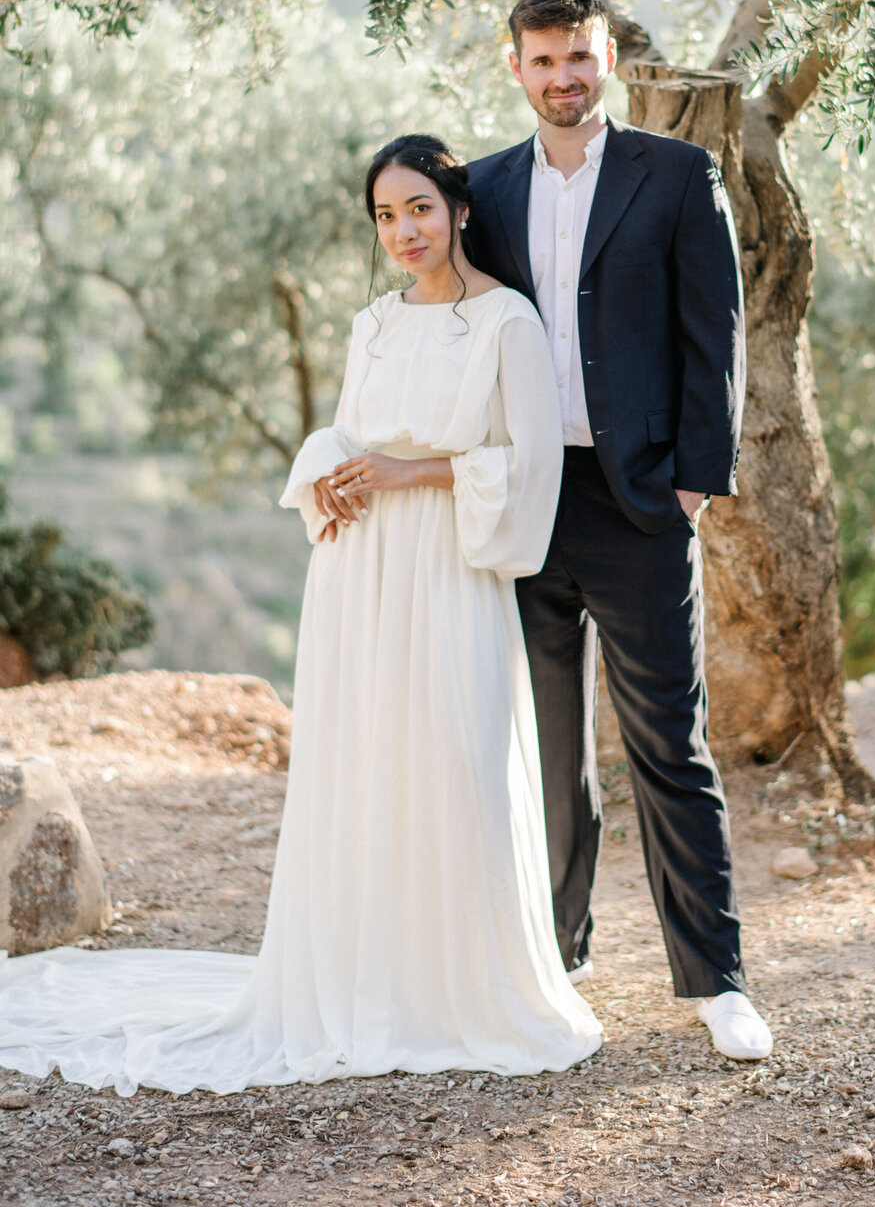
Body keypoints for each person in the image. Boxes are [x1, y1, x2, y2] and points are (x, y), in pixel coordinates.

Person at [0, 134, 600, 1093]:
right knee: (368, 764)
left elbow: (534, 469)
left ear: (459, 210)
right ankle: (366, 976)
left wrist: (419, 470)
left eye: (419, 209)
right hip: (361, 572)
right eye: (385, 216)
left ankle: (458, 985)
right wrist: (331, 472)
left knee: (453, 759)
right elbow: (350, 433)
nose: (403, 231)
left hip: (449, 567)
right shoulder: (371, 324)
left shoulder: (508, 324)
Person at [466, 0, 773, 1062]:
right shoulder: (485, 188)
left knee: (667, 742)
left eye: (580, 57)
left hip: (640, 497)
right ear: (517, 66)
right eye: (543, 59)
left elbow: (716, 338)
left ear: (610, 62)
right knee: (549, 742)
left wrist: (694, 481)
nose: (563, 77)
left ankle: (716, 979)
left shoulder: (678, 174)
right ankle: (563, 956)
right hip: (526, 499)